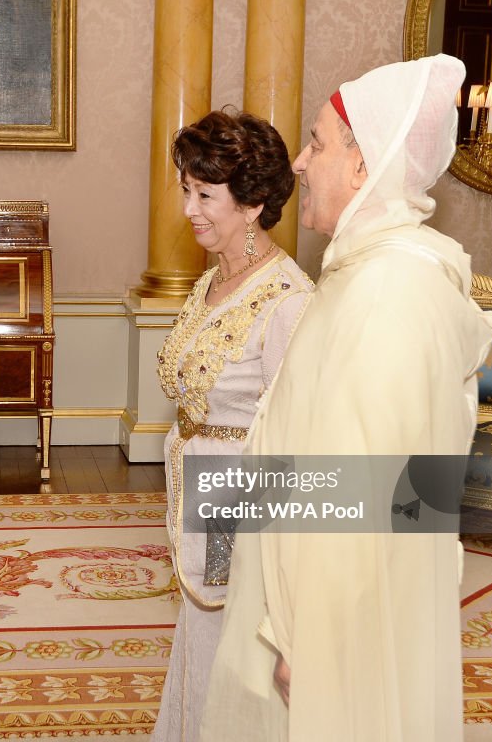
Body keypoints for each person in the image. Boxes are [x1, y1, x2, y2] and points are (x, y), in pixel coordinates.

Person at [200, 55, 492, 741]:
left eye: (316, 142)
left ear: (364, 167)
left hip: (327, 627)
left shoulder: (389, 292)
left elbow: (379, 500)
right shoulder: (365, 273)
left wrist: (306, 636)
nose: (299, 163)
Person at [152, 109, 312, 742]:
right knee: (203, 636)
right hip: (199, 494)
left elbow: (294, 448)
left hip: (242, 508)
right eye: (187, 189)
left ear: (254, 205)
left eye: (206, 194)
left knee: (238, 648)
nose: (190, 208)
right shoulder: (217, 278)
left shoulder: (287, 301)